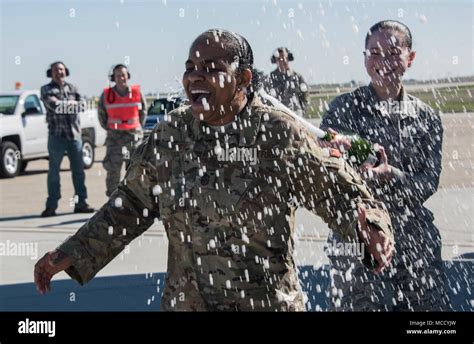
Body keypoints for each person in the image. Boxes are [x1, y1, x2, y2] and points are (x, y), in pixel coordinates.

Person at [35, 29, 394, 312]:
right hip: (187, 304)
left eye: (212, 69)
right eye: (190, 68)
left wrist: (371, 228)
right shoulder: (171, 134)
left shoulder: (278, 135)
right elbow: (131, 204)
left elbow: (339, 192)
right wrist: (74, 251)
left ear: (243, 79)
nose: (195, 77)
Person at [320, 20, 451, 311]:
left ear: (410, 58)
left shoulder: (426, 117)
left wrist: (392, 174)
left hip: (413, 238)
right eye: (374, 53)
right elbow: (326, 176)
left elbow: (428, 182)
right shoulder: (342, 110)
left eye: (393, 53)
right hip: (358, 236)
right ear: (364, 57)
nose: (383, 62)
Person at [40, 61, 94, 217]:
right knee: (54, 173)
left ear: (66, 72)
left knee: (78, 172)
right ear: (51, 73)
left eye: (61, 70)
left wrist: (71, 104)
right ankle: (51, 205)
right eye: (56, 70)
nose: (59, 72)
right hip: (56, 136)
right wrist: (72, 104)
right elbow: (54, 106)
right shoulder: (46, 89)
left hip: (74, 136)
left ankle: (81, 203)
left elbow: (83, 105)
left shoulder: (73, 88)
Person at [98, 64, 147, 197]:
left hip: (133, 138)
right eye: (118, 75)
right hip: (114, 139)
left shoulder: (136, 93)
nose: (121, 78)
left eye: (123, 75)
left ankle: (135, 201)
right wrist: (112, 129)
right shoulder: (107, 95)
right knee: (113, 171)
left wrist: (136, 128)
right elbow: (102, 116)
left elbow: (143, 112)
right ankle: (113, 201)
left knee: (135, 170)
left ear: (128, 76)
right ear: (113, 77)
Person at [265, 47, 309, 117]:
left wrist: (302, 112)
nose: (283, 61)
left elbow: (305, 97)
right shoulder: (270, 78)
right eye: (280, 59)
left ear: (288, 58)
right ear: (275, 60)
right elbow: (266, 98)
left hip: (296, 115)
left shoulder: (298, 77)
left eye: (285, 58)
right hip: (278, 116)